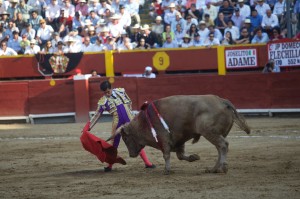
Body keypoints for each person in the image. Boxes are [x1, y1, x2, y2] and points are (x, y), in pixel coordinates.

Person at [89, 80, 156, 172]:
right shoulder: (103, 101)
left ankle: (148, 163)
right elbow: (97, 115)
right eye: (105, 93)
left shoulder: (121, 91)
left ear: (111, 88)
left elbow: (129, 102)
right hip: (117, 124)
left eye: (108, 91)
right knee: (114, 144)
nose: (107, 94)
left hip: (130, 121)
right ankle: (109, 166)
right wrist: (89, 126)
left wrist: (130, 115)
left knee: (136, 142)